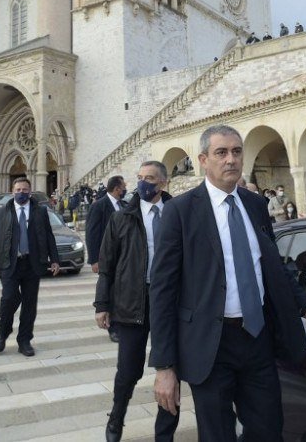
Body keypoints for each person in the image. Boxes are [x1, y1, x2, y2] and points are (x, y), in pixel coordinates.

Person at [148, 125, 306, 440]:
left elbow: (276, 270)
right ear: (203, 159)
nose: (231, 160)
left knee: (268, 430)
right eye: (221, 152)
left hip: (257, 341)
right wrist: (164, 366)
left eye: (237, 151)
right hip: (209, 346)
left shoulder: (255, 206)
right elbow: (161, 291)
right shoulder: (180, 212)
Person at [94, 161, 180, 441]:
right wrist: (102, 304)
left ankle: (164, 433)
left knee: (170, 368)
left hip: (171, 302)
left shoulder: (178, 214)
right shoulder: (122, 217)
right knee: (128, 369)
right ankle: (117, 417)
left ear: (163, 183)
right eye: (140, 178)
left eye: (150, 179)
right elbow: (107, 264)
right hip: (132, 301)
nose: (144, 183)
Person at [0, 176, 60, 356]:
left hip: (32, 264)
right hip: (9, 264)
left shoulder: (40, 211)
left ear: (30, 191)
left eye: (25, 190)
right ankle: (2, 333)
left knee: (29, 304)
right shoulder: (2, 212)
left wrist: (55, 259)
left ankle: (25, 340)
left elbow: (49, 236)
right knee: (8, 299)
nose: (21, 193)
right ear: (13, 191)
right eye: (18, 190)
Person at [87, 176, 127, 274]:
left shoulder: (124, 205)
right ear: (117, 189)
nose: (125, 190)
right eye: (123, 187)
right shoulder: (98, 206)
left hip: (124, 256)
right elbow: (92, 234)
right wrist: (94, 260)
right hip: (106, 256)